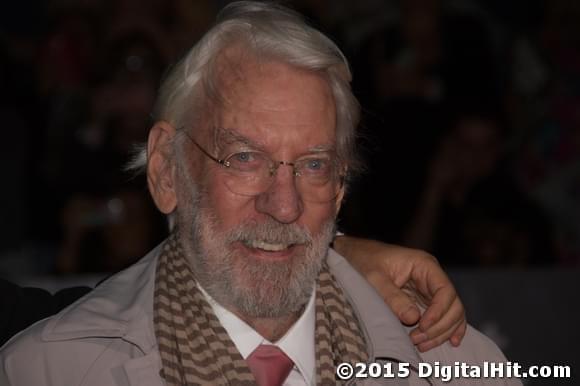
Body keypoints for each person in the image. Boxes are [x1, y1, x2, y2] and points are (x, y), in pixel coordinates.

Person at [1, 2, 518, 385]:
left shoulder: (464, 369)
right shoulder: (47, 370)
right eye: (245, 158)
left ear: (340, 189)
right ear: (165, 170)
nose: (284, 204)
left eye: (314, 165)